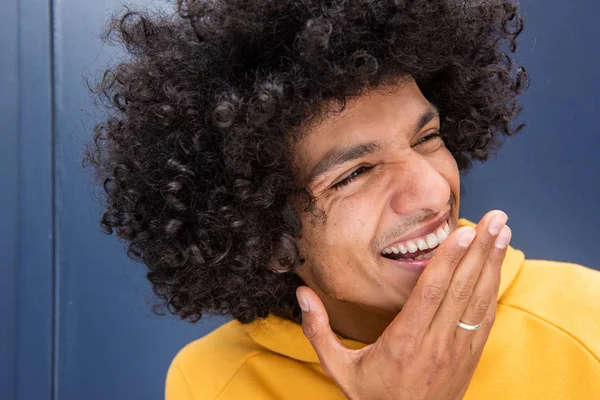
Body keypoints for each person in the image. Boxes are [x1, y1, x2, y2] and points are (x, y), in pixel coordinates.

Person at [84, 0, 600, 399]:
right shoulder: (213, 380)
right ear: (272, 242)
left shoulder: (586, 318)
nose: (434, 190)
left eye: (427, 138)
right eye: (355, 174)